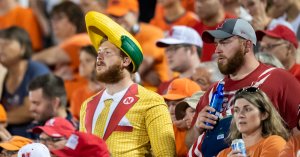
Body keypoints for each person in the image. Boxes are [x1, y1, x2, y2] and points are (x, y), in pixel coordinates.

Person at [186, 18, 300, 157]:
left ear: (246, 45)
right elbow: (189, 145)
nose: (217, 50)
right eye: (216, 44)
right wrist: (197, 127)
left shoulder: (280, 80)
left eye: (224, 42)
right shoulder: (213, 92)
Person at [80, 11, 176, 156]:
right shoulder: (87, 105)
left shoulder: (151, 102)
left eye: (107, 53)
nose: (99, 57)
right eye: (98, 52)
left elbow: (166, 154)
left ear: (125, 61)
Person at [106, 0, 171, 90]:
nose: (116, 21)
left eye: (120, 16)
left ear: (135, 14)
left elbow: (141, 64)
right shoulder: (111, 39)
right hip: (130, 92)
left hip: (158, 92)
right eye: (112, 16)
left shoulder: (152, 33)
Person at [0, 26, 50, 136]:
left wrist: (3, 119)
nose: (1, 48)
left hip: (37, 138)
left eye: (6, 44)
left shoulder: (36, 71)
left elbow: (31, 110)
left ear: (23, 47)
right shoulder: (6, 74)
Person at [217, 87, 289, 157]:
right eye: (236, 110)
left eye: (247, 109)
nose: (240, 115)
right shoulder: (223, 154)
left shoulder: (275, 143)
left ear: (264, 114)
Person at [27, 74, 77, 139]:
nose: (31, 109)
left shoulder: (76, 134)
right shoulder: (33, 128)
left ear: (55, 103)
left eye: (36, 103)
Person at [156, 25, 202, 94]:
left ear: (192, 50)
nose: (168, 55)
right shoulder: (165, 87)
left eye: (174, 48)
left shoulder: (210, 82)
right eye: (167, 50)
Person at [162, 78, 201, 157]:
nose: (171, 110)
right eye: (168, 104)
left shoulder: (205, 127)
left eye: (175, 104)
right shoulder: (167, 128)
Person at [70, 45, 104, 120]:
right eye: (81, 61)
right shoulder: (78, 94)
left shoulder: (110, 90)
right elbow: (74, 123)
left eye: (88, 60)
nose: (82, 65)